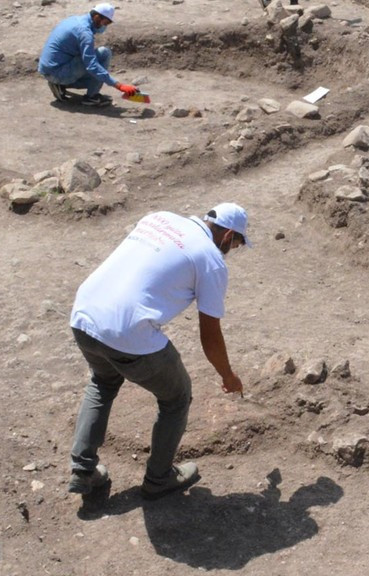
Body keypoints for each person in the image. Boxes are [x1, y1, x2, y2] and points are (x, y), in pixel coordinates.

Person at [66, 206, 250, 500]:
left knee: (103, 382)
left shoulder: (159, 218)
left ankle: (82, 469)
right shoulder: (212, 259)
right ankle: (159, 478)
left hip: (84, 315)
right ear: (228, 236)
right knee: (176, 397)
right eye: (237, 245)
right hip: (127, 332)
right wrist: (228, 375)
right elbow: (210, 333)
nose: (232, 251)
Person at [37, 3, 139, 108]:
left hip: (50, 69)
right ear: (97, 17)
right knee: (103, 54)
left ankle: (58, 84)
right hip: (57, 72)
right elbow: (92, 66)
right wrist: (119, 86)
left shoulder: (75, 20)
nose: (105, 26)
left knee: (97, 73)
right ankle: (91, 97)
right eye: (105, 22)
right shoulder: (85, 33)